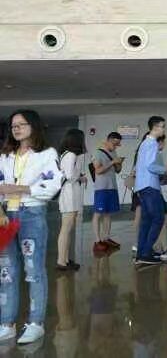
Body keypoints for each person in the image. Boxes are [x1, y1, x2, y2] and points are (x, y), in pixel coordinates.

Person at [0, 109, 65, 344]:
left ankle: (36, 323)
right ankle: (6, 323)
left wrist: (19, 189)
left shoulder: (46, 154)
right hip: (6, 215)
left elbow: (53, 184)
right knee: (6, 271)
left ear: (33, 126)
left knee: (34, 270)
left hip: (31, 214)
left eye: (21, 124)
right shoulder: (6, 155)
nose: (16, 128)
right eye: (13, 125)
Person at [134, 116, 167, 266]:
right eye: (162, 126)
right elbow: (151, 166)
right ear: (155, 127)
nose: (163, 129)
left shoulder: (144, 143)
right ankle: (145, 252)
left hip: (142, 186)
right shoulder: (151, 144)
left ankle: (142, 253)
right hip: (150, 186)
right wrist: (165, 169)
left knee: (146, 221)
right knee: (158, 219)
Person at [57, 128, 87, 271]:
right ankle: (61, 261)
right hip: (68, 194)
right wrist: (80, 177)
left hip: (71, 193)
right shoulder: (71, 155)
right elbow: (69, 176)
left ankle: (65, 259)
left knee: (68, 229)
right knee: (66, 229)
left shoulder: (69, 154)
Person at [91, 132, 124, 254]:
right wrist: (112, 162)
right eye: (115, 144)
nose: (116, 147)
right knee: (98, 213)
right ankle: (97, 241)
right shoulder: (98, 153)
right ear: (109, 140)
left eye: (118, 145)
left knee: (108, 214)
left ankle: (106, 238)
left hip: (112, 187)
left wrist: (119, 163)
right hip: (101, 188)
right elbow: (98, 170)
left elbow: (117, 171)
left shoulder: (114, 153)